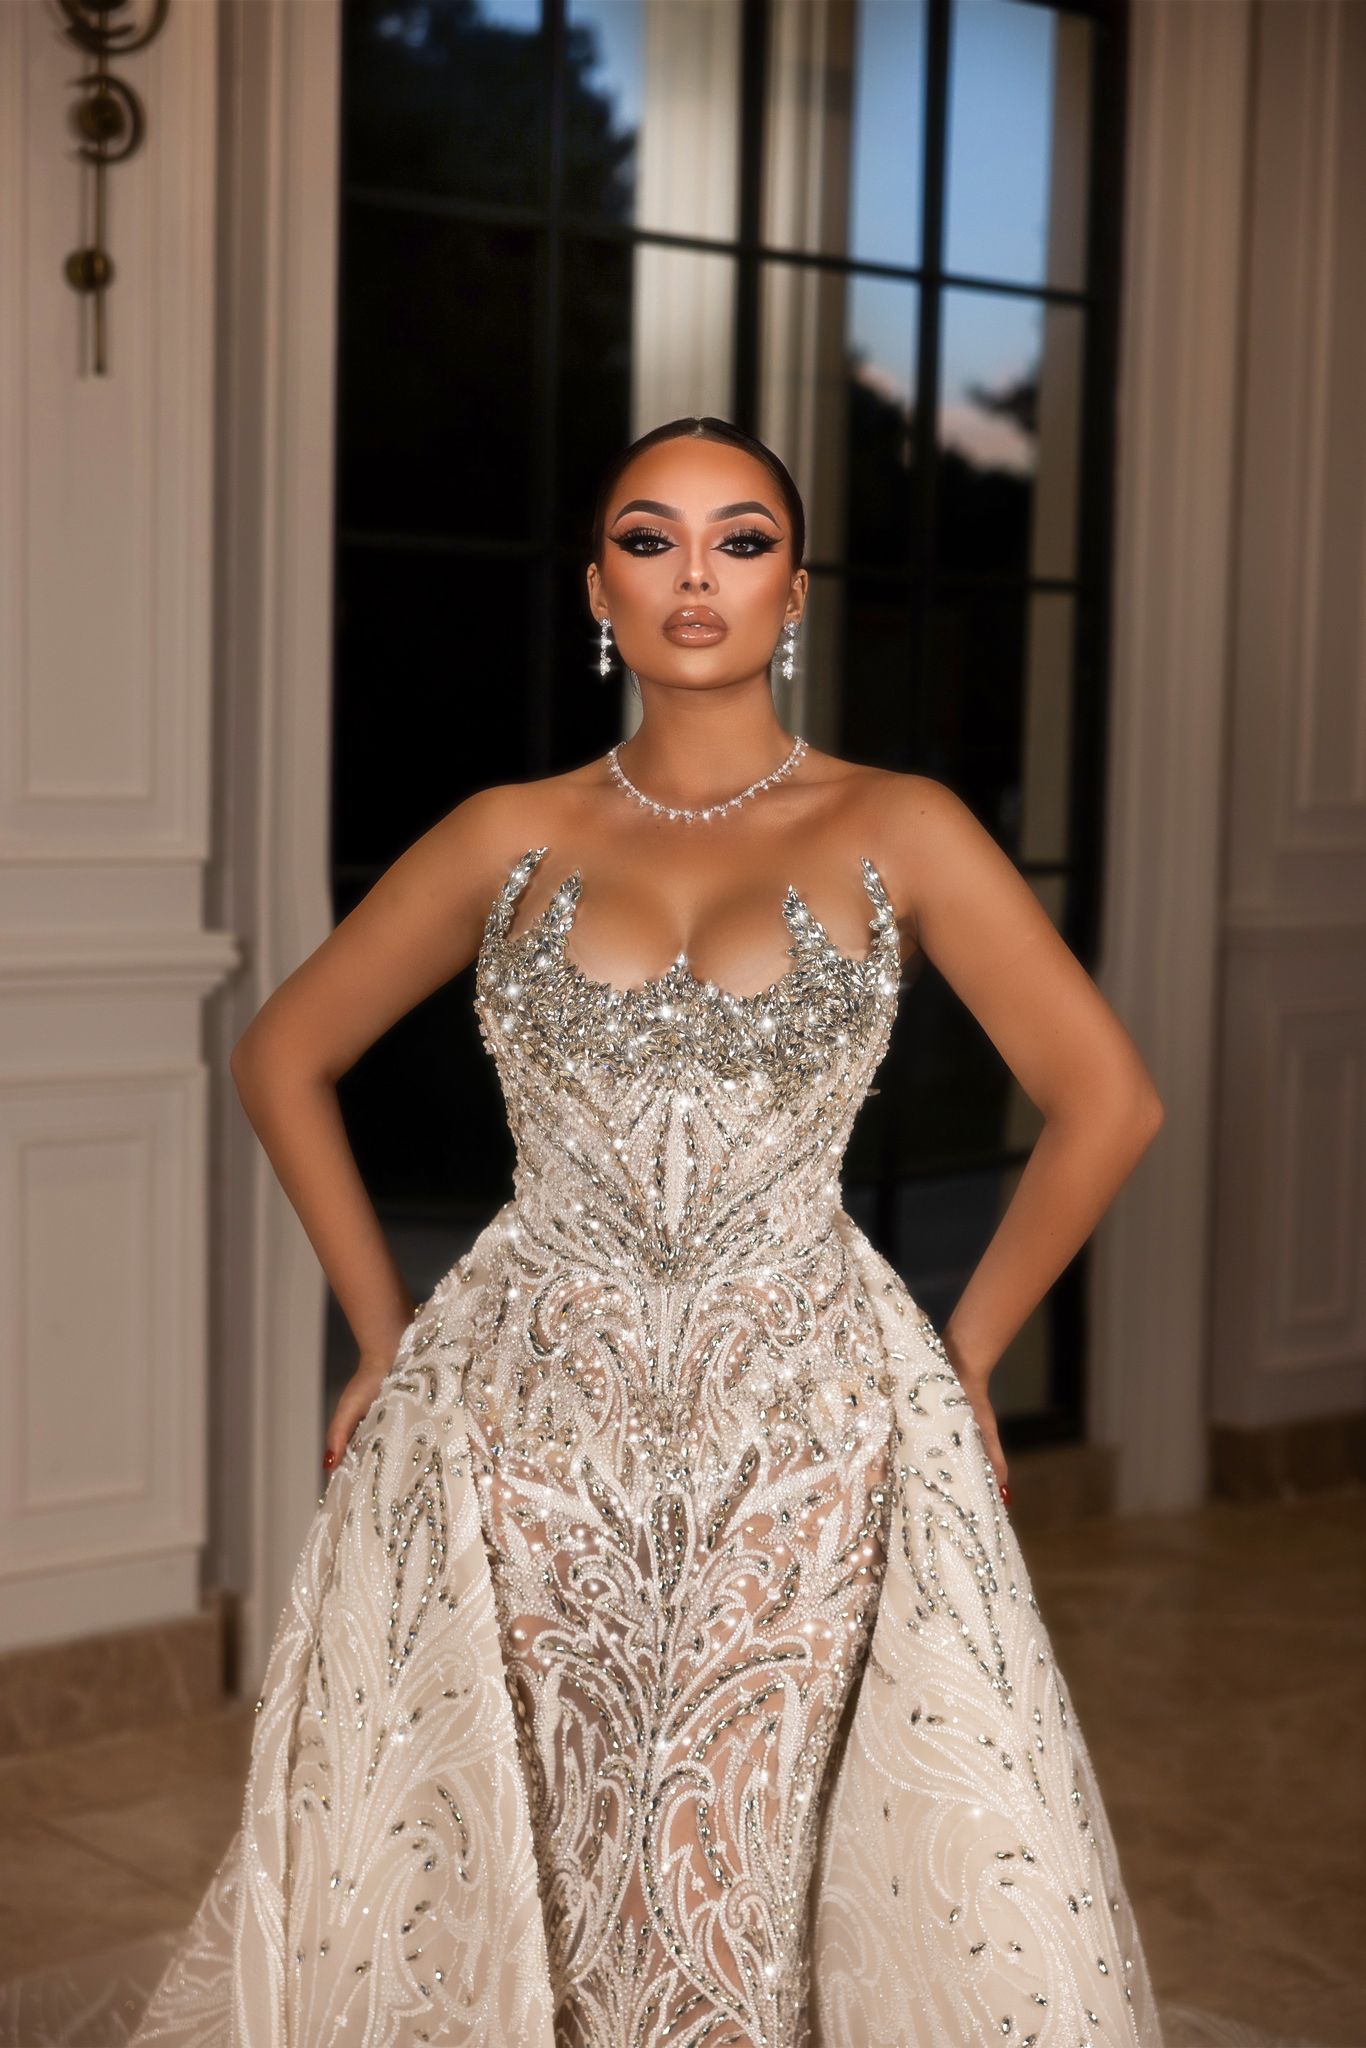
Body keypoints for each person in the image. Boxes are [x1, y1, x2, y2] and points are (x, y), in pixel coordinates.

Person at [129, 415, 1171, 2046]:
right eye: (649, 538)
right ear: (595, 587)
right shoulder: (508, 831)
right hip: (519, 1427)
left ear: (793, 592)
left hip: (801, 1437)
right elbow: (282, 1055)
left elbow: (1106, 1102)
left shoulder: (902, 825)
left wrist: (963, 1355)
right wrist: (386, 1335)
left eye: (740, 541)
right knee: (535, 1828)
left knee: (750, 1833)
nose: (696, 575)